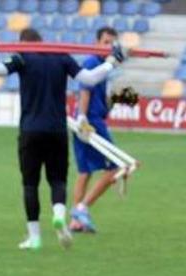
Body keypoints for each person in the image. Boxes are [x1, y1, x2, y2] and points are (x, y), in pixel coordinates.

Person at [0, 29, 124, 250]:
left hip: (30, 130)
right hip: (57, 130)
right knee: (58, 180)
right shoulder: (61, 56)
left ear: (24, 43)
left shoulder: (22, 57)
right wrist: (112, 62)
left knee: (30, 184)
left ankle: (34, 237)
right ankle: (58, 215)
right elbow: (89, 78)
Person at [70, 27, 128, 233]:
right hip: (90, 122)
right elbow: (85, 91)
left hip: (90, 119)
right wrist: (83, 118)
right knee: (116, 167)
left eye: (111, 43)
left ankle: (76, 220)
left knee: (84, 171)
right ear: (96, 42)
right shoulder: (92, 62)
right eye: (105, 42)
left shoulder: (104, 65)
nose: (108, 46)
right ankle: (82, 209)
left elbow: (99, 95)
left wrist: (109, 103)